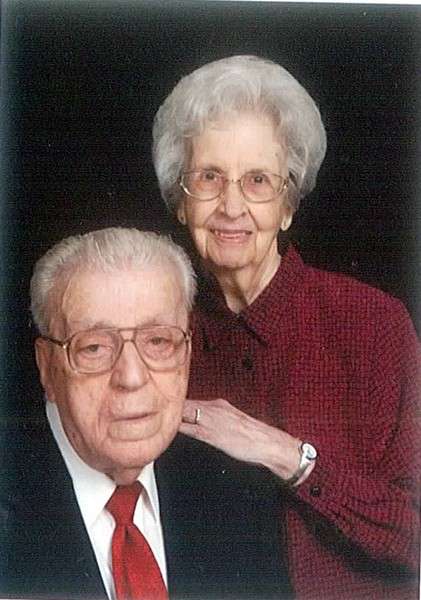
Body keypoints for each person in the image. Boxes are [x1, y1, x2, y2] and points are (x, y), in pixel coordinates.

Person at [152, 55, 421, 599]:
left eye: (257, 181)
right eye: (209, 178)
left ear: (288, 206)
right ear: (181, 203)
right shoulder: (155, 336)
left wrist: (288, 456)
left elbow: (414, 536)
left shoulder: (373, 325)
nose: (231, 206)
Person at [0, 227, 292, 599]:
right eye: (94, 348)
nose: (132, 378)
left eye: (158, 341)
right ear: (46, 366)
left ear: (187, 353)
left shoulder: (240, 497)